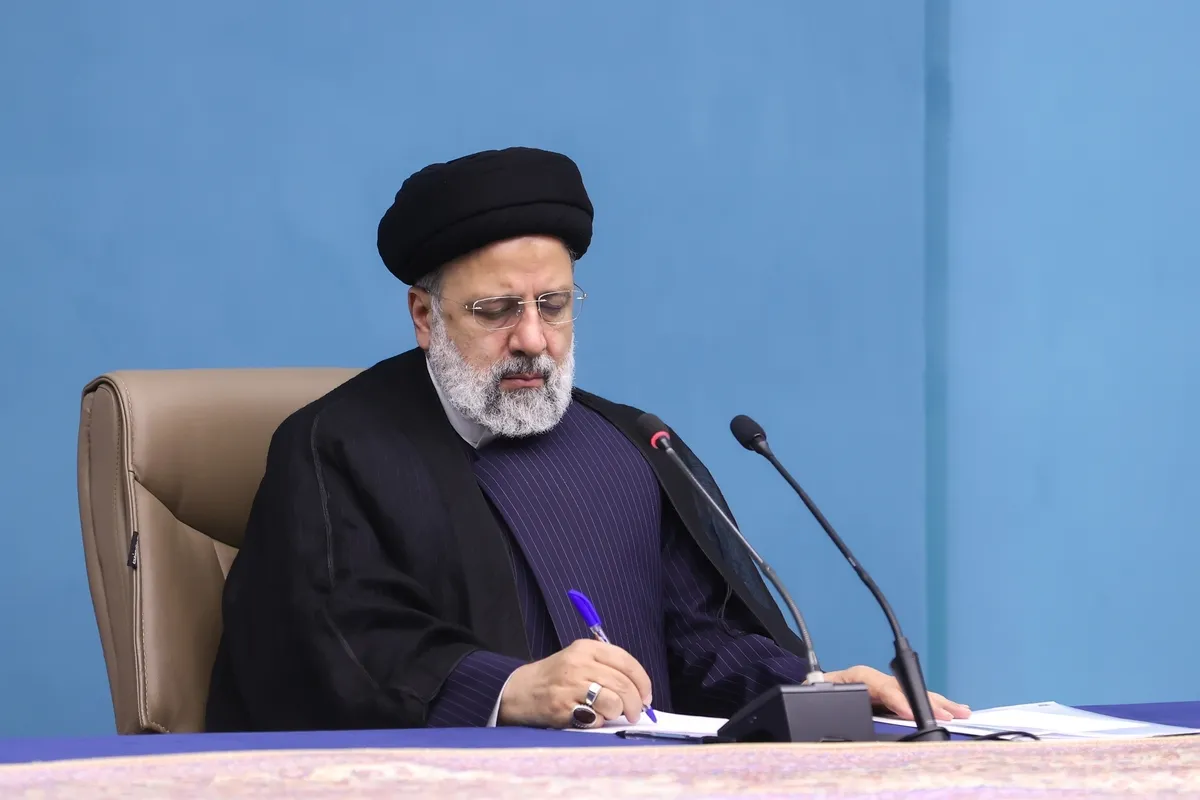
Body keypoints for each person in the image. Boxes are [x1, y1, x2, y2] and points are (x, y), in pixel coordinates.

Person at [205, 146, 969, 732]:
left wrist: (810, 691)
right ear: (424, 316)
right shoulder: (335, 447)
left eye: (554, 304)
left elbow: (703, 641)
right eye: (497, 310)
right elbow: (335, 646)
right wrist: (507, 688)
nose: (533, 339)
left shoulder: (633, 446)